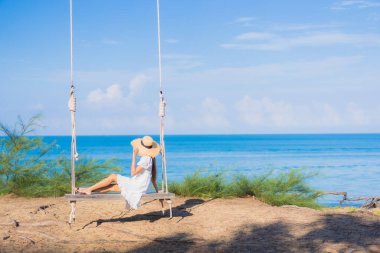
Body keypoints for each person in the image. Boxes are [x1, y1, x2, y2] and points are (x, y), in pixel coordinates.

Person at [77, 135, 160, 209]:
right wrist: (157, 190)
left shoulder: (146, 159)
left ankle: (88, 189)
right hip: (140, 186)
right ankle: (87, 190)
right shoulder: (150, 158)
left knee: (113, 176)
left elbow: (133, 173)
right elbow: (153, 176)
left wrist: (134, 155)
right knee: (111, 187)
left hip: (137, 186)